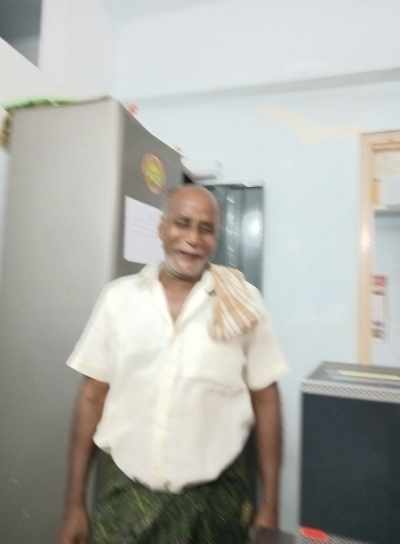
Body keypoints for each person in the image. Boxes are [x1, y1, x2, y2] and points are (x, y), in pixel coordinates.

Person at [59, 185, 288, 544]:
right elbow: (91, 398)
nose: (193, 239)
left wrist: (271, 505)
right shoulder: (118, 300)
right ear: (162, 228)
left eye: (205, 229)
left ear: (215, 238)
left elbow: (267, 400)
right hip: (126, 502)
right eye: (183, 223)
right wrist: (74, 503)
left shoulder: (242, 303)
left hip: (214, 506)